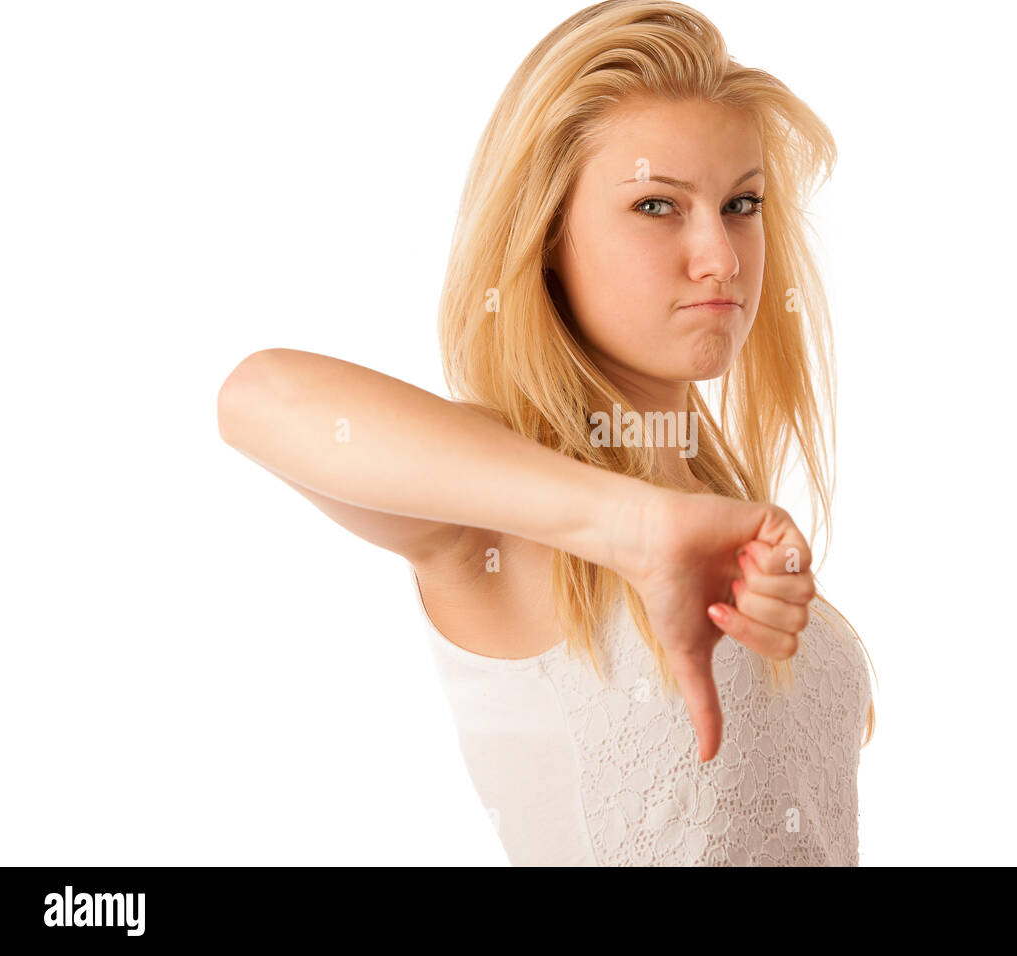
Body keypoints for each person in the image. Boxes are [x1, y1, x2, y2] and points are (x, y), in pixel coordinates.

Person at [217, 0, 876, 866]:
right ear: (546, 237)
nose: (721, 256)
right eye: (655, 206)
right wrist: (630, 525)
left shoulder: (721, 519)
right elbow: (257, 396)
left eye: (741, 202)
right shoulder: (509, 511)